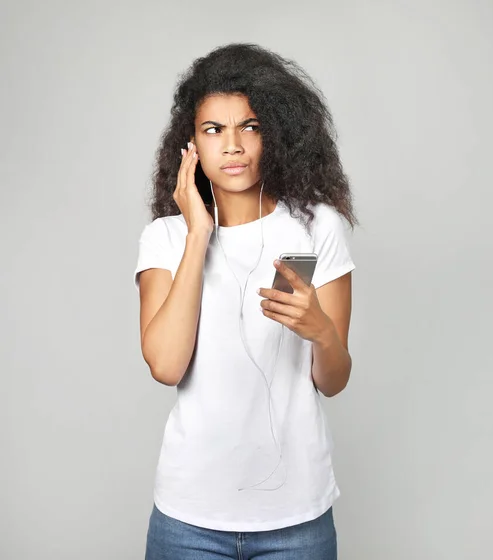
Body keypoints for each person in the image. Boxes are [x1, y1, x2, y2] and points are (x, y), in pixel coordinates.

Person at [133, 43, 358, 560]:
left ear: (275, 134)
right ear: (190, 144)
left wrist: (320, 329)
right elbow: (166, 365)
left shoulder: (315, 227)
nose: (232, 146)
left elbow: (335, 379)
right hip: (189, 517)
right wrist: (198, 233)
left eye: (250, 127)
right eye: (213, 130)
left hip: (296, 519)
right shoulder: (166, 238)